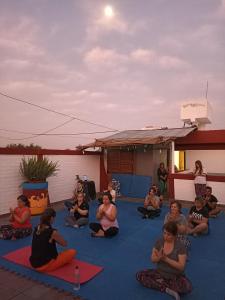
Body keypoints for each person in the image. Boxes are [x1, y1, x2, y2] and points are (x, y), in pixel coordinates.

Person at [136, 221, 192, 300]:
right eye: (164, 233)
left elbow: (181, 267)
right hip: (160, 273)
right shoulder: (159, 242)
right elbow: (153, 259)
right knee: (139, 275)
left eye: (169, 234)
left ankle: (161, 284)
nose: (165, 236)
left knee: (186, 287)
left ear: (175, 235)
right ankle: (167, 289)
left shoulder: (180, 246)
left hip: (175, 276)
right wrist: (158, 258)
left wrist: (166, 259)